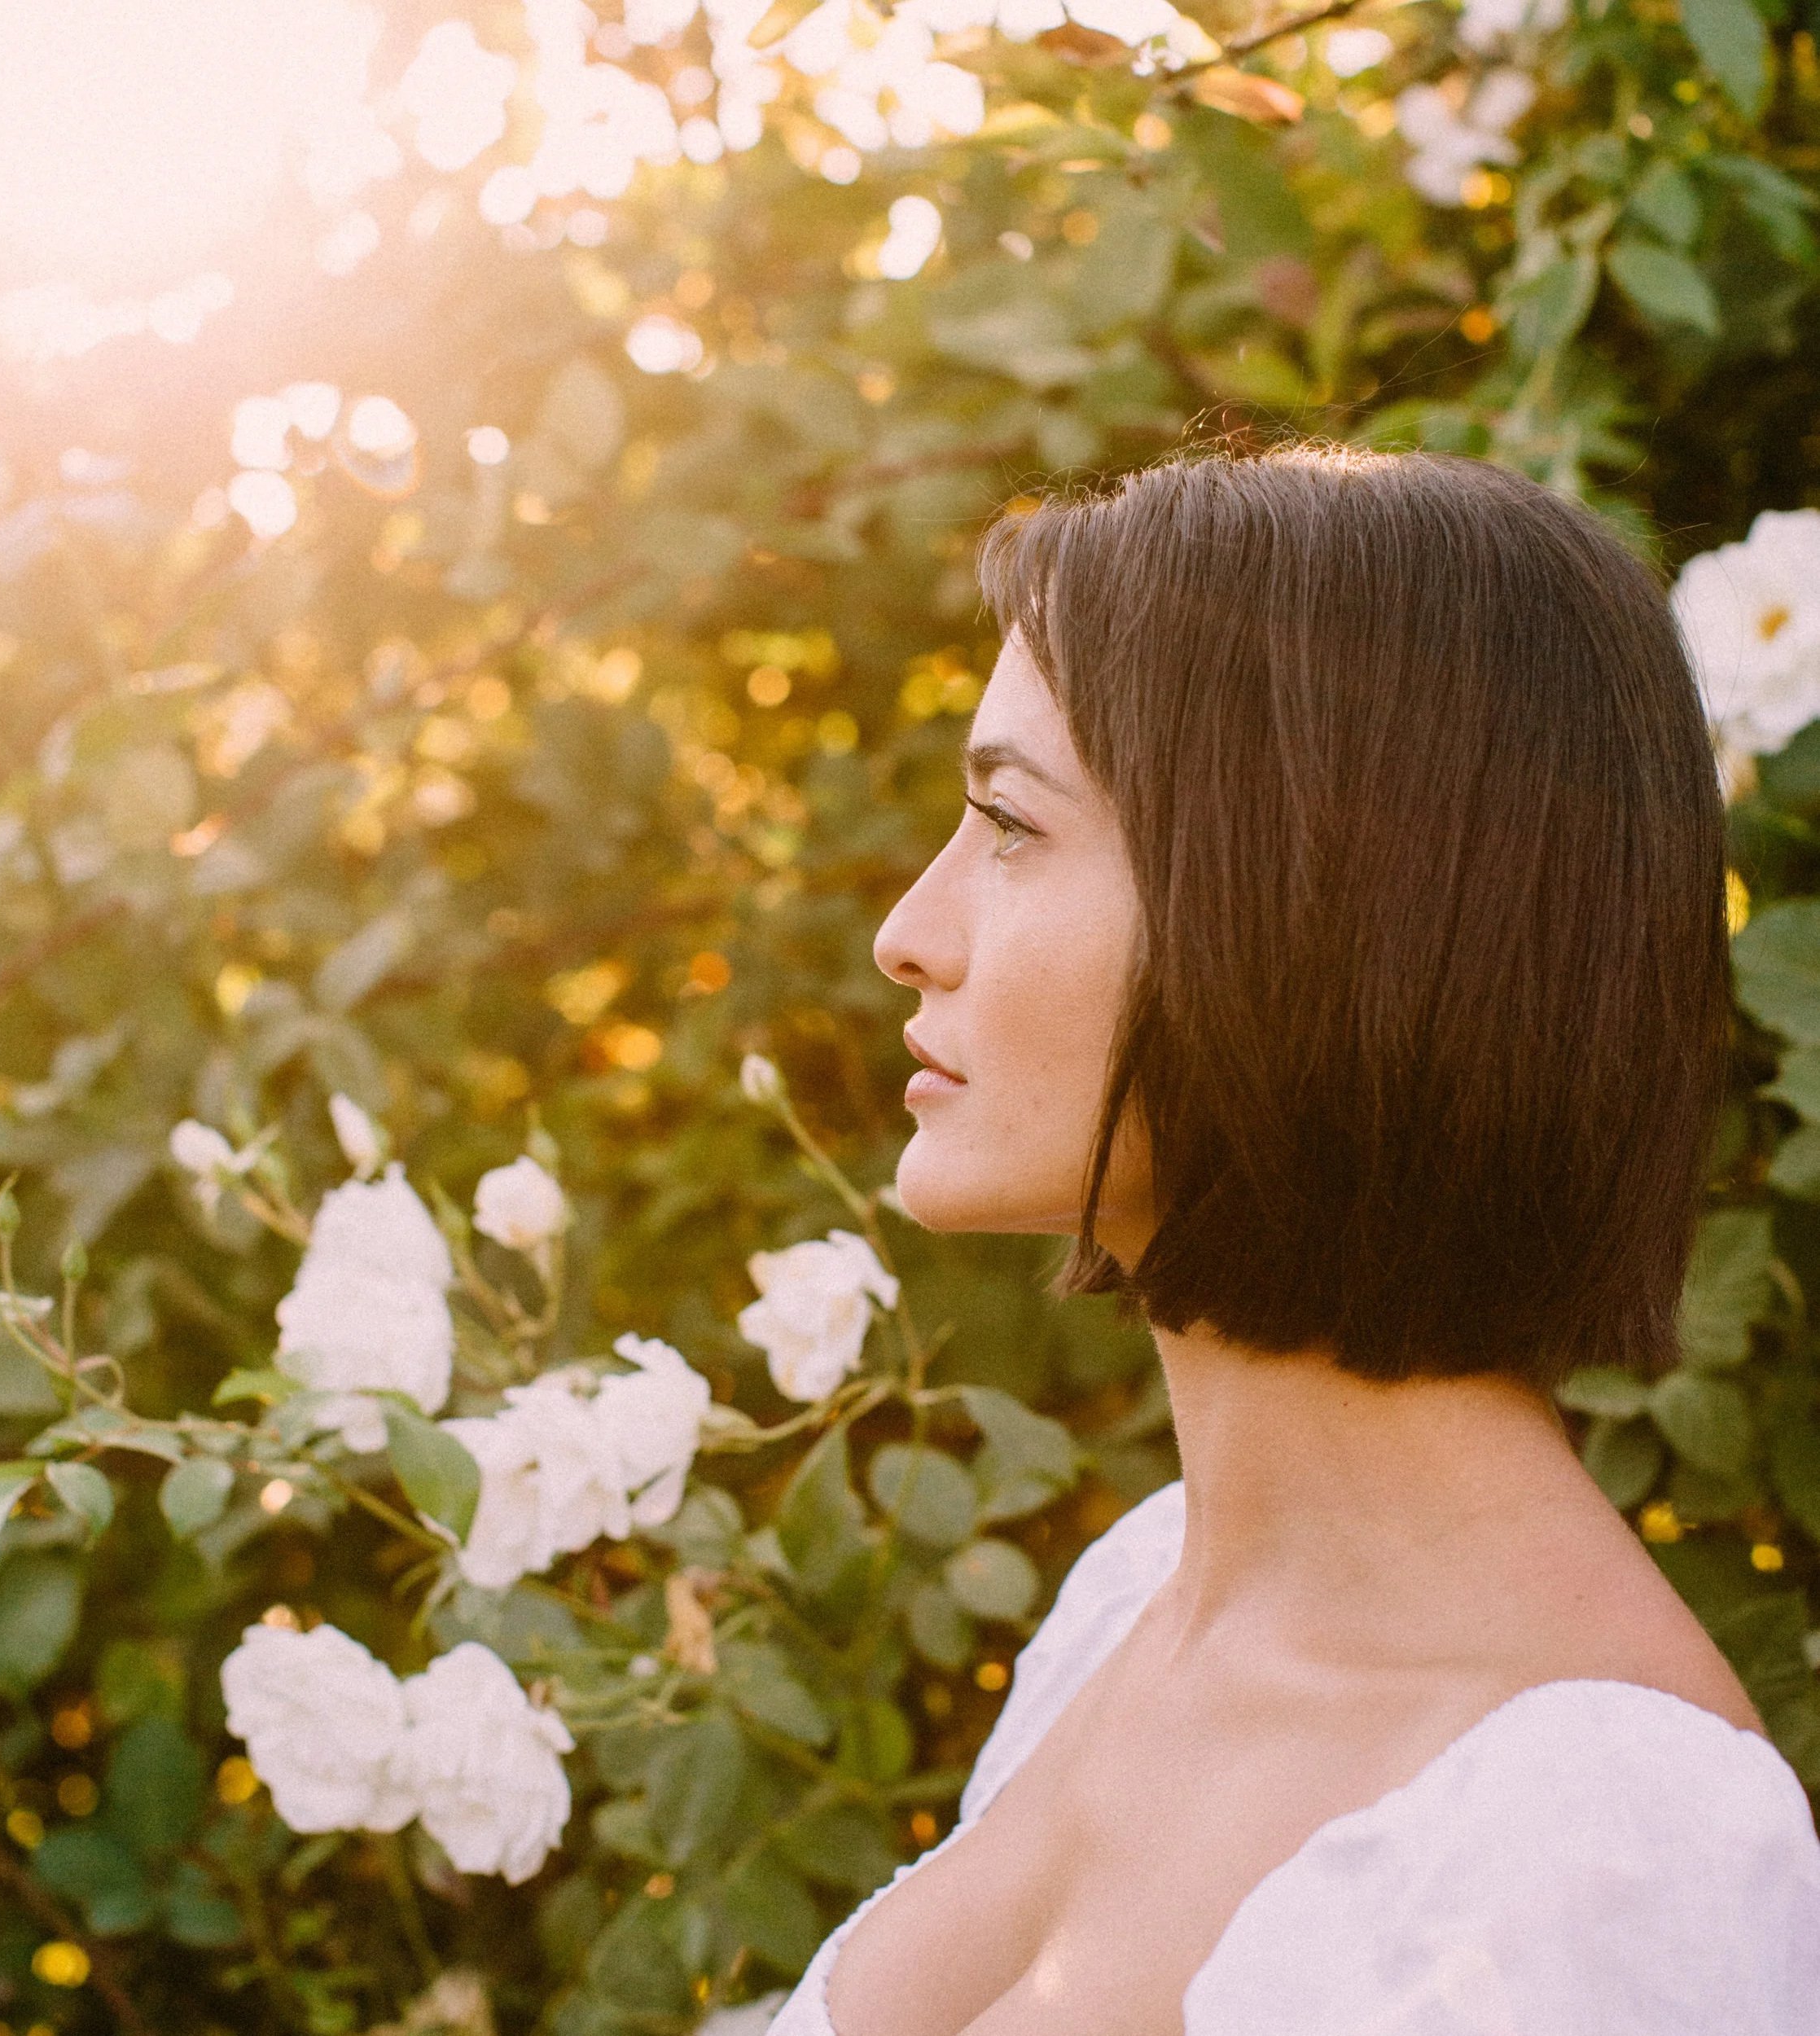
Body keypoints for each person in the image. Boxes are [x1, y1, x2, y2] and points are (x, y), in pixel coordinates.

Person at [767, 445, 1820, 2036]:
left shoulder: (1596, 1845)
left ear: (1310, 903)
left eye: (1010, 824)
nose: (906, 933)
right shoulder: (1135, 1602)